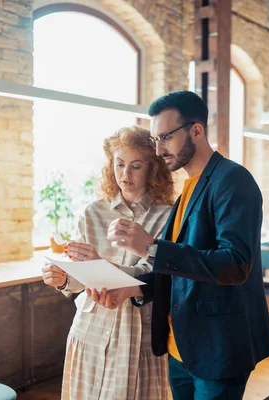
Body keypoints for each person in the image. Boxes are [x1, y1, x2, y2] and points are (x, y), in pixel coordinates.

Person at [93, 91, 269, 399]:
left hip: (218, 349)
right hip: (181, 347)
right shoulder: (187, 189)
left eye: (165, 137)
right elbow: (180, 268)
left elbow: (235, 264)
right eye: (154, 139)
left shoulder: (232, 180)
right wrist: (134, 289)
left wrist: (151, 247)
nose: (159, 149)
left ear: (196, 130)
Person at [41, 126, 175, 400]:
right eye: (119, 164)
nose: (125, 175)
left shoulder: (169, 216)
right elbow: (81, 275)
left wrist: (103, 265)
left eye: (136, 166)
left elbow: (156, 275)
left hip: (137, 330)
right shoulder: (92, 212)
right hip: (90, 327)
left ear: (153, 169)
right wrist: (63, 278)